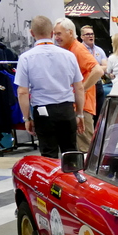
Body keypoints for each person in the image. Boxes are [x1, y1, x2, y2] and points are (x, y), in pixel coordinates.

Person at [15, 15, 85, 159]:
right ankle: (74, 178)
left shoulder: (26, 58)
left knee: (48, 154)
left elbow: (22, 91)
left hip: (43, 111)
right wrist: (80, 113)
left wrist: (27, 118)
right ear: (52, 33)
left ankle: (51, 181)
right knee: (71, 152)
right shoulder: (69, 55)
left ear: (32, 33)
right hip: (66, 109)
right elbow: (79, 87)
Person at [53, 18, 104, 153]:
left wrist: (81, 89)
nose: (56, 37)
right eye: (55, 34)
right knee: (79, 148)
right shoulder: (71, 49)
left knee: (85, 148)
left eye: (59, 34)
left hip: (83, 107)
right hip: (77, 105)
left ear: (70, 32)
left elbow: (98, 70)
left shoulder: (77, 49)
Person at [80, 25, 107, 126]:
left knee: (99, 114)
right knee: (88, 115)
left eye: (92, 34)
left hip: (98, 85)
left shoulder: (99, 50)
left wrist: (95, 69)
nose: (90, 36)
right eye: (87, 34)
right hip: (87, 85)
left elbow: (106, 67)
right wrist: (97, 68)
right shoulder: (80, 50)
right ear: (82, 36)